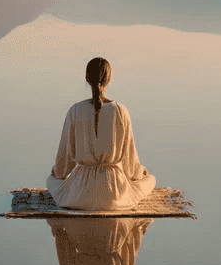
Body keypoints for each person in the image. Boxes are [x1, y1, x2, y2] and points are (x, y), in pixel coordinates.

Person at [46, 56, 156, 211]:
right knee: (150, 180)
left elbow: (64, 162)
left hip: (79, 195)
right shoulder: (120, 111)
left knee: (51, 181)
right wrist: (141, 173)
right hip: (113, 194)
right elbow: (130, 164)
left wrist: (56, 172)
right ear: (109, 79)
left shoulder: (75, 111)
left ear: (87, 79)